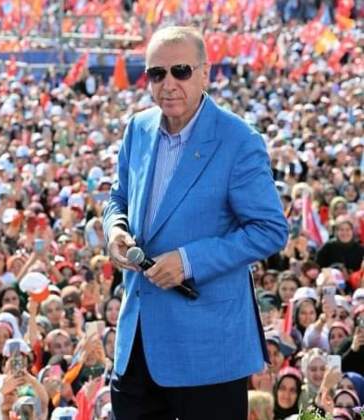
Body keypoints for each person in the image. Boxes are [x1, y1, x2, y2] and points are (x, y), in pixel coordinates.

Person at [103, 26, 288, 419]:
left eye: (181, 71)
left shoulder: (238, 140)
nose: (168, 84)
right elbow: (118, 198)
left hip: (208, 351)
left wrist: (188, 261)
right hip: (136, 345)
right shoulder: (138, 128)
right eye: (157, 73)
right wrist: (115, 229)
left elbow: (270, 230)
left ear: (205, 73)